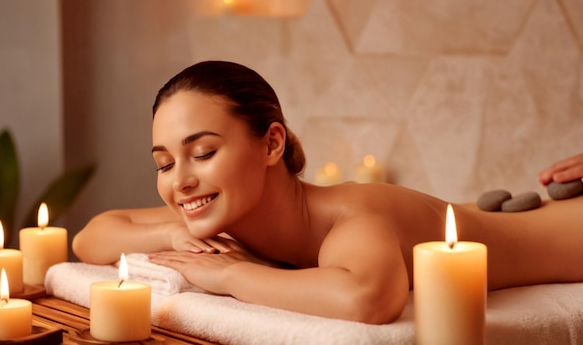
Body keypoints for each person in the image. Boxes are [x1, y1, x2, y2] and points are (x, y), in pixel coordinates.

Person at [72, 61, 583, 325]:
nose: (178, 180)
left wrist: (232, 274)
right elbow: (93, 236)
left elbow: (367, 298)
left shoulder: (352, 215)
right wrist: (175, 229)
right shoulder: (214, 207)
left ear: (271, 143)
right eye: (164, 163)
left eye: (202, 153)